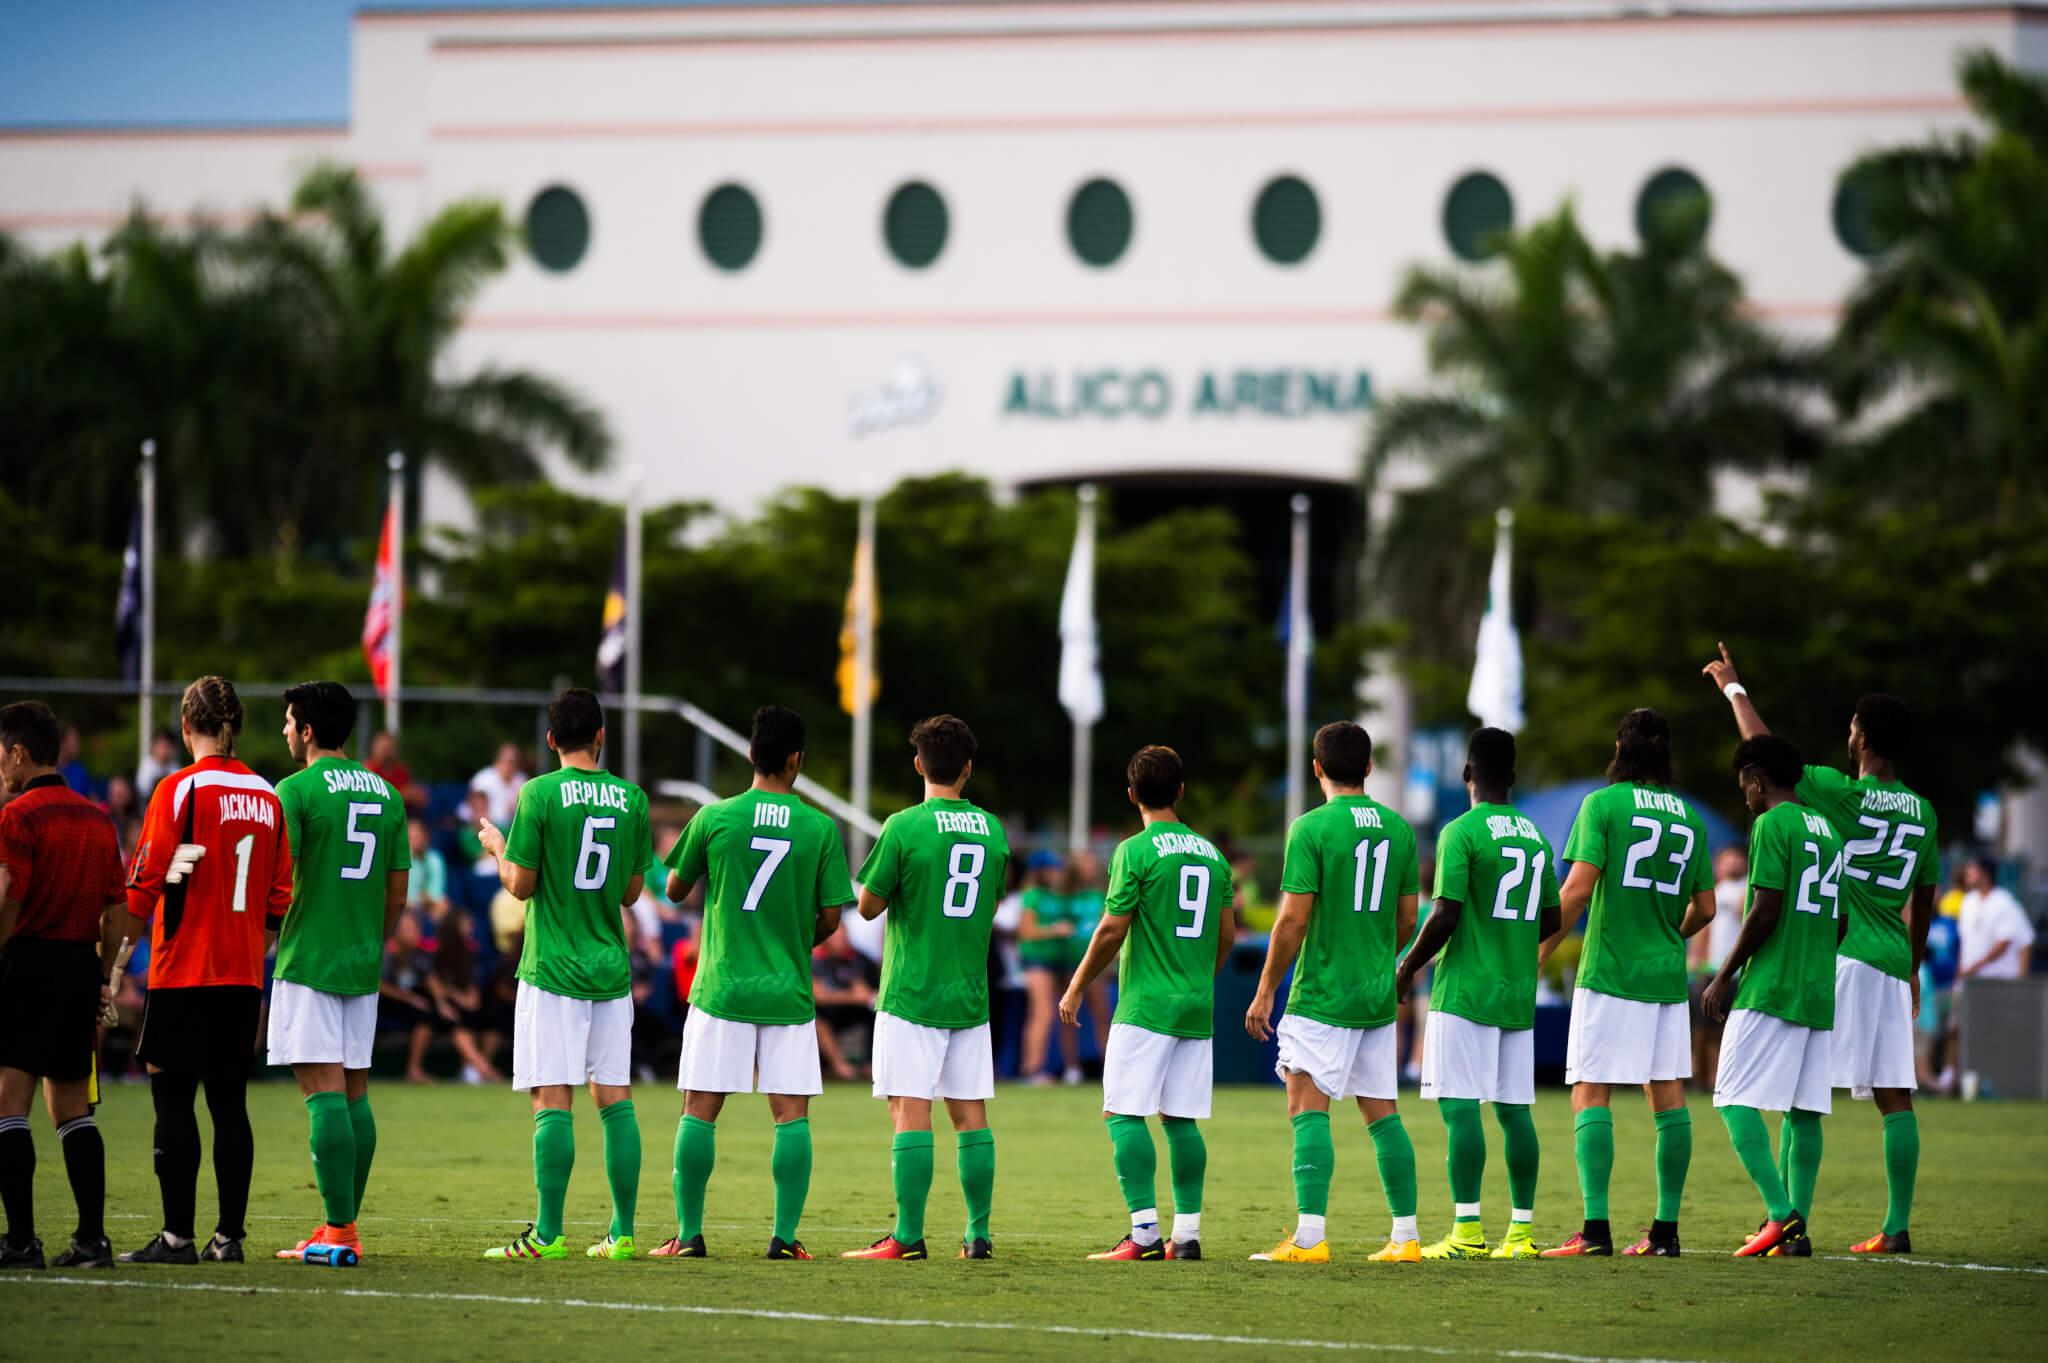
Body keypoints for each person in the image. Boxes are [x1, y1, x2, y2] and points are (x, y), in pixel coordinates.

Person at [1704, 646, 1936, 1255]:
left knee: (1793, 1096)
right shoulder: (1925, 812)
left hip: (1840, 956)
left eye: (1853, 727)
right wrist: (1913, 967)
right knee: (1894, 1097)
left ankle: (1788, 1217)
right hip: (1890, 960)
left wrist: (1734, 689)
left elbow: (1768, 753)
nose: (1848, 734)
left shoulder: (1839, 797)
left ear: (1862, 741)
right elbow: (1927, 896)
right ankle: (1896, 1225)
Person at [657, 705, 855, 1261]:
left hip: (722, 985)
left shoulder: (715, 817)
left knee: (700, 1108)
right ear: (797, 761)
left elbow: (674, 888)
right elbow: (832, 919)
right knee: (791, 1115)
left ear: (751, 754)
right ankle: (784, 1238)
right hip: (787, 990)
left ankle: (689, 1235)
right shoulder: (819, 827)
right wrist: (793, 939)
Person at [119, 676, 293, 1265]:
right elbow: (278, 899)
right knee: (229, 1102)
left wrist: (114, 963)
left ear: (187, 725)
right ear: (236, 727)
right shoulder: (268, 798)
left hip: (181, 970)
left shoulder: (177, 789)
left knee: (172, 1098)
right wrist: (247, 944)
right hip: (241, 976)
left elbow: (141, 887)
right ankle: (230, 1239)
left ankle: (176, 1238)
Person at [474, 688, 651, 1262]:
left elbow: (521, 885)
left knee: (553, 1098)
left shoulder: (538, 793)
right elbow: (630, 891)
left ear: (551, 740)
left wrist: (499, 848)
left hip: (552, 970)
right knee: (616, 1100)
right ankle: (622, 1232)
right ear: (601, 737)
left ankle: (549, 1233)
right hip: (609, 969)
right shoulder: (631, 799)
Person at [1538, 709, 1716, 1259]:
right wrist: (1670, 934)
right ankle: (1665, 1234)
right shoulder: (1691, 817)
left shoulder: (1602, 804)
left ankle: (1595, 1231)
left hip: (1611, 970)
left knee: (1591, 1091)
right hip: (1664, 974)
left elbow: (1576, 892)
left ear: (1621, 746)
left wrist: (1536, 954)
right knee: (1668, 1099)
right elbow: (1705, 908)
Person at [1244, 721, 1422, 1264]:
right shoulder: (1400, 828)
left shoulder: (1311, 827)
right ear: (1368, 768)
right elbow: (1407, 918)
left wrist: (1264, 989)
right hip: (1374, 994)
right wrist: (1375, 960)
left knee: (1306, 1106)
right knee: (1383, 1113)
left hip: (1322, 991)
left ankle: (1309, 1238)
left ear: (1317, 768)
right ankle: (1406, 1236)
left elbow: (1291, 921)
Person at [841, 715, 1009, 1261]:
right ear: (968, 768)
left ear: (919, 764)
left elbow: (866, 907)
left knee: (909, 1111)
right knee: (971, 1115)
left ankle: (908, 1237)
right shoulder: (994, 830)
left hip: (912, 992)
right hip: (969, 994)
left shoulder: (903, 826)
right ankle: (977, 1235)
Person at [1061, 745, 1235, 1262]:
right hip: (1194, 1005)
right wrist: (1200, 980)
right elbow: (1226, 936)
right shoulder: (1214, 855)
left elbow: (1113, 928)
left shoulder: (1134, 851)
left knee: (1122, 1112)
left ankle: (1142, 1234)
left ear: (1132, 794)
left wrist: (1075, 986)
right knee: (1181, 1119)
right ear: (1180, 791)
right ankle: (1187, 1235)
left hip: (1146, 1006)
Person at [1394, 727, 1558, 1261]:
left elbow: (1445, 913)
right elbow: (1552, 917)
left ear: (1467, 774)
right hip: (1516, 993)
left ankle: (1466, 1232)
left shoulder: (1460, 831)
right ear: (1512, 776)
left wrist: (1408, 966)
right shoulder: (1535, 835)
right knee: (1515, 1111)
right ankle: (1522, 1233)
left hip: (1465, 992)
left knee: (1460, 1110)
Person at [267, 681, 410, 1265]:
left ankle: (340, 1229)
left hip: (310, 957)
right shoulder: (388, 793)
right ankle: (339, 1225)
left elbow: (283, 884)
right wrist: (367, 935)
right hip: (362, 959)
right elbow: (397, 892)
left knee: (321, 1092)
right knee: (354, 1091)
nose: (283, 730)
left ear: (306, 730)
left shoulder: (294, 790)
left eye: (288, 721)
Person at [1701, 734, 1846, 1258]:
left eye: (1746, 787)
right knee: (1803, 1110)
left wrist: (1724, 974)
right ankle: (1796, 1229)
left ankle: (1781, 1217)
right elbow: (1842, 921)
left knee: (1732, 1098)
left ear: (1758, 781)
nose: (1745, 797)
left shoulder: (1770, 824)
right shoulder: (1828, 830)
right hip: (1816, 990)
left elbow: (1765, 909)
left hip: (1772, 987)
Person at [0, 700, 132, 1269]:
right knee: (74, 1110)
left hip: (25, 965)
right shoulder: (98, 819)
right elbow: (116, 911)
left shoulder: (16, 817)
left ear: (18, 753)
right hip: (80, 968)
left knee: (9, 1107)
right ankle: (91, 1241)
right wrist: (103, 977)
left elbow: (10, 895)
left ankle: (22, 1241)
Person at [1689, 846, 1748, 1090]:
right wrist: (1696, 957)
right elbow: (1703, 928)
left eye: (1736, 857)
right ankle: (1706, 1077)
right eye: (1726, 858)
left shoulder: (1751, 890)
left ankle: (1728, 1079)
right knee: (1706, 1028)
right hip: (1711, 970)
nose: (1732, 862)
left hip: (1738, 971)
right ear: (1717, 865)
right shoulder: (1711, 893)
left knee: (1730, 1030)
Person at [1015, 851, 1074, 1084]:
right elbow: (1026, 931)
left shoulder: (1054, 895)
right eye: (1051, 869)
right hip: (1037, 962)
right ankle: (1032, 1069)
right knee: (1042, 1015)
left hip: (1056, 962)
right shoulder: (1032, 895)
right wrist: (1055, 930)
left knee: (1053, 1015)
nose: (1056, 873)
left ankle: (1042, 1067)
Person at [470, 742, 528, 830]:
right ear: (498, 760)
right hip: (486, 827)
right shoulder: (483, 779)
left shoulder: (521, 779)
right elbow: (475, 810)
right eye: (508, 761)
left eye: (514, 762)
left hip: (512, 828)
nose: (510, 766)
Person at [405, 818, 450, 920]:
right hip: (405, 906)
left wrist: (428, 899)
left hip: (428, 905)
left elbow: (435, 893)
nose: (413, 841)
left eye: (417, 836)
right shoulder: (399, 859)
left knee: (443, 905)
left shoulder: (435, 859)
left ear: (425, 837)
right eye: (410, 837)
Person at [136, 729, 179, 802]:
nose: (164, 750)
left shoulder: (175, 768)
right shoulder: (147, 765)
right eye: (161, 746)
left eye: (167, 746)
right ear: (154, 747)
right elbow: (143, 791)